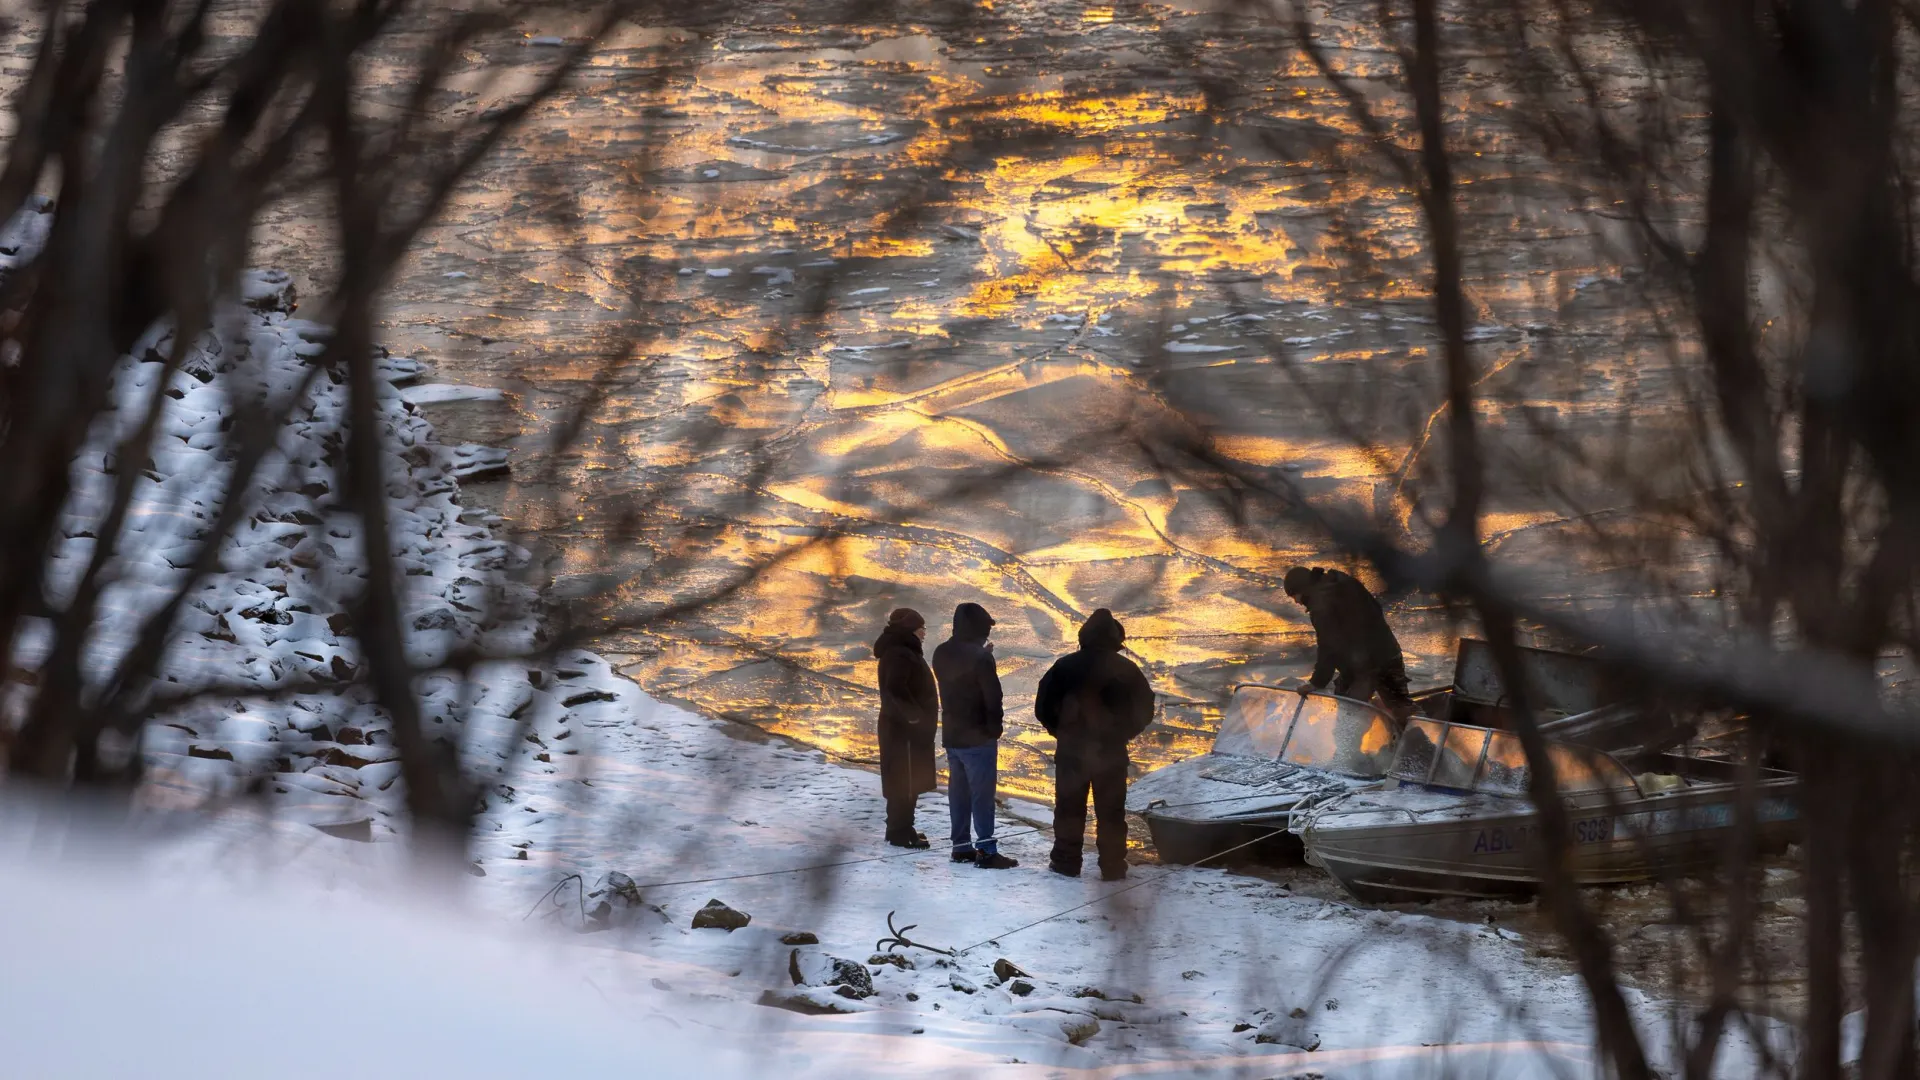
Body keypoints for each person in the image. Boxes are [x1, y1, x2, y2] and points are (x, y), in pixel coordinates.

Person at [1035, 608, 1155, 881]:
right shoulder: (1126, 669)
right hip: (1111, 752)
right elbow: (1145, 708)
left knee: (1068, 808)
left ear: (1084, 636)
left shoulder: (1064, 666)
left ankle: (1066, 863)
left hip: (1072, 751)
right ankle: (1113, 866)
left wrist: (1061, 732)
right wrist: (1123, 733)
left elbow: (1042, 706)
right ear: (1115, 638)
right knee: (1111, 811)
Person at [932, 602, 1015, 870]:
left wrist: (981, 654)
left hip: (953, 735)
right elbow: (993, 696)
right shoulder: (980, 657)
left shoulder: (941, 652)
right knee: (982, 794)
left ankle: (961, 847)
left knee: (959, 793)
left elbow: (959, 676)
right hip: (978, 736)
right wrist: (995, 728)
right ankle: (987, 851)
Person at [1282, 565, 1416, 721]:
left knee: (1347, 718)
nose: (1297, 602)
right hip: (1387, 653)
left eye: (1294, 596)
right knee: (1401, 708)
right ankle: (1422, 738)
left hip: (1366, 666)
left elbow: (1328, 647)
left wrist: (1316, 682)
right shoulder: (1341, 581)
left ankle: (1419, 738)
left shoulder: (1321, 604)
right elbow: (1375, 609)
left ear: (1302, 589)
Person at [873, 607, 938, 848]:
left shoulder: (902, 651)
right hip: (904, 732)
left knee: (905, 780)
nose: (924, 633)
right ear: (910, 630)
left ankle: (900, 828)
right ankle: (900, 832)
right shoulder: (899, 654)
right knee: (905, 781)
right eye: (921, 628)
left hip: (903, 730)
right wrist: (915, 719)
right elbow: (895, 691)